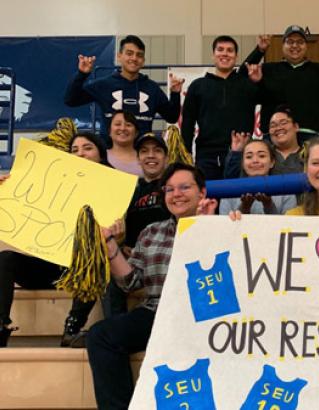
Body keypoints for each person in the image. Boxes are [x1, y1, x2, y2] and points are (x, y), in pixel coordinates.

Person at [86, 162, 217, 409]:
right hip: (156, 313)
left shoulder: (221, 228)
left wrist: (205, 227)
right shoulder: (151, 232)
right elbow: (130, 282)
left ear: (202, 192)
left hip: (202, 317)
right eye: (169, 190)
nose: (176, 194)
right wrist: (111, 246)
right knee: (100, 335)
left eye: (184, 187)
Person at [0, 132, 122, 348]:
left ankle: (72, 329)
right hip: (51, 265)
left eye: (87, 148)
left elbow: (121, 236)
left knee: (94, 257)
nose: (80, 153)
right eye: (74, 150)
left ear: (101, 154)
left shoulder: (115, 187)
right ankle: (1, 326)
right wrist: (7, 190)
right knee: (6, 258)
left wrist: (115, 235)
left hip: (83, 269)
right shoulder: (56, 182)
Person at [242, 25, 319, 142]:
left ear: (306, 46)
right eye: (290, 42)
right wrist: (259, 50)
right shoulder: (267, 70)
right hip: (274, 136)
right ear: (282, 45)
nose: (295, 46)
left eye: (300, 42)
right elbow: (242, 75)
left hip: (310, 137)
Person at [64, 35, 183, 140]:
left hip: (140, 156)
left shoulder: (152, 88)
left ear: (143, 61)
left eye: (139, 55)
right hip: (108, 156)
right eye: (129, 53)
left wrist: (175, 93)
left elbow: (171, 117)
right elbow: (71, 100)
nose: (134, 58)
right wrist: (82, 74)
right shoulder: (104, 85)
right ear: (119, 56)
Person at [182, 36, 258, 180]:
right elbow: (188, 122)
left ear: (236, 56)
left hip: (243, 153)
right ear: (213, 55)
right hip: (207, 156)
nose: (225, 53)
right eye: (220, 49)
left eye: (230, 50)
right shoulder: (198, 86)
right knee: (209, 201)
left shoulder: (248, 85)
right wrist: (186, 154)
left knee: (240, 200)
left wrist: (258, 82)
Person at [219, 139, 297, 215]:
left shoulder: (286, 191)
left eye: (262, 156)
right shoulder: (229, 190)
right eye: (249, 157)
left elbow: (288, 226)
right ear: (242, 163)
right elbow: (224, 226)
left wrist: (268, 205)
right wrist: (245, 207)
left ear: (272, 162)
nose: (255, 160)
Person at [224, 105, 304, 179]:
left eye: (283, 123)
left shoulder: (309, 153)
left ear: (296, 127)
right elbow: (231, 180)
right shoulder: (260, 152)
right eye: (273, 126)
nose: (278, 128)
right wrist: (236, 153)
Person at [124, 132, 171, 256]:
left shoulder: (174, 188)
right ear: (138, 159)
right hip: (134, 258)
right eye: (144, 151)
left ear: (166, 158)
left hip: (167, 255)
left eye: (157, 151)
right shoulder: (129, 191)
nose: (151, 155)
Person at [107, 110, 142, 176]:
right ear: (109, 131)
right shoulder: (101, 156)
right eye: (117, 124)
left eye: (128, 125)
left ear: (136, 133)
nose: (123, 128)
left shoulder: (145, 158)